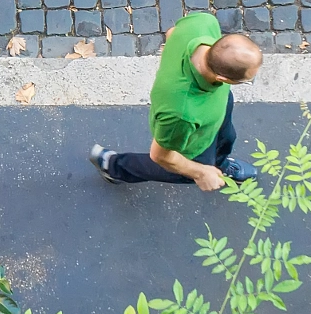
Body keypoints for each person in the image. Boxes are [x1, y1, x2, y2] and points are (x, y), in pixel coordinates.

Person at [88, 13, 261, 189]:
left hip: (216, 104)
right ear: (222, 77)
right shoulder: (181, 115)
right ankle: (112, 165)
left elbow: (172, 33)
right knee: (176, 171)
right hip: (194, 140)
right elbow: (161, 156)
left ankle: (220, 166)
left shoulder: (203, 23)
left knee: (227, 137)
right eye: (245, 80)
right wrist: (201, 173)